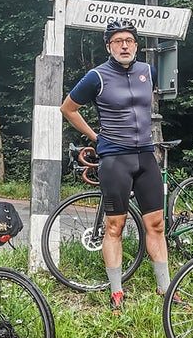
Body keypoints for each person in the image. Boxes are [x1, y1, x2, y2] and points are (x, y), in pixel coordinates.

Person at [60, 20, 171, 316]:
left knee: (157, 225)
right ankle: (116, 292)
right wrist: (96, 137)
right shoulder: (97, 76)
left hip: (147, 157)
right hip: (115, 160)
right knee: (114, 227)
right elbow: (67, 108)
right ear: (108, 46)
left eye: (129, 41)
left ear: (135, 45)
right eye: (118, 41)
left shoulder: (149, 71)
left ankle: (166, 291)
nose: (124, 45)